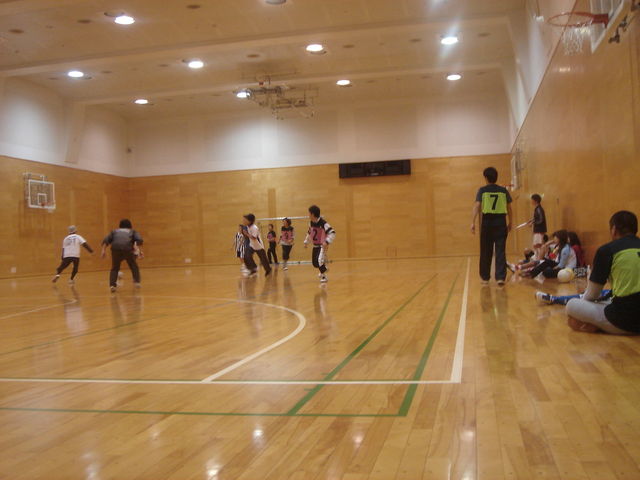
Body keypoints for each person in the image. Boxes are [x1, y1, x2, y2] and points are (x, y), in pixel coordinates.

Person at [566, 211, 640, 334]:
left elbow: (592, 295)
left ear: (614, 229)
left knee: (572, 305)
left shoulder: (607, 250)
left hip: (626, 320)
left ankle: (600, 326)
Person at [471, 167, 512, 286]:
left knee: (485, 251)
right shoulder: (503, 191)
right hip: (501, 222)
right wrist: (510, 222)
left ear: (486, 178)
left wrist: (472, 222)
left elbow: (477, 206)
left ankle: (485, 278)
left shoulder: (482, 190)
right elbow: (509, 208)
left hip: (487, 222)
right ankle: (500, 278)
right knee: (500, 250)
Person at [101, 219, 144, 292]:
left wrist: (103, 250)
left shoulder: (114, 231)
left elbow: (106, 240)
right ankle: (137, 282)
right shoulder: (132, 231)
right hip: (127, 249)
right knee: (133, 264)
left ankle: (112, 285)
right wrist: (140, 251)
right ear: (130, 225)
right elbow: (139, 240)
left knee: (115, 268)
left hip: (115, 249)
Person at [304, 205, 336, 283]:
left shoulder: (323, 223)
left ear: (312, 214)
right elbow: (309, 233)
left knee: (319, 261)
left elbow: (332, 233)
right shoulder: (311, 223)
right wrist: (306, 241)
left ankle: (324, 277)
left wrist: (327, 241)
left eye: (309, 213)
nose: (308, 215)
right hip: (315, 245)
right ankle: (324, 268)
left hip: (322, 245)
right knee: (315, 263)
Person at [528, 194, 547, 260]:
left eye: (532, 200)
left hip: (539, 230)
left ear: (535, 201)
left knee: (538, 245)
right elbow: (538, 218)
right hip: (537, 230)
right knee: (536, 245)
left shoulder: (539, 209)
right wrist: (532, 220)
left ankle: (539, 260)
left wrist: (533, 223)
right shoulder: (537, 209)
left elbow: (541, 220)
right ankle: (537, 259)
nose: (531, 201)